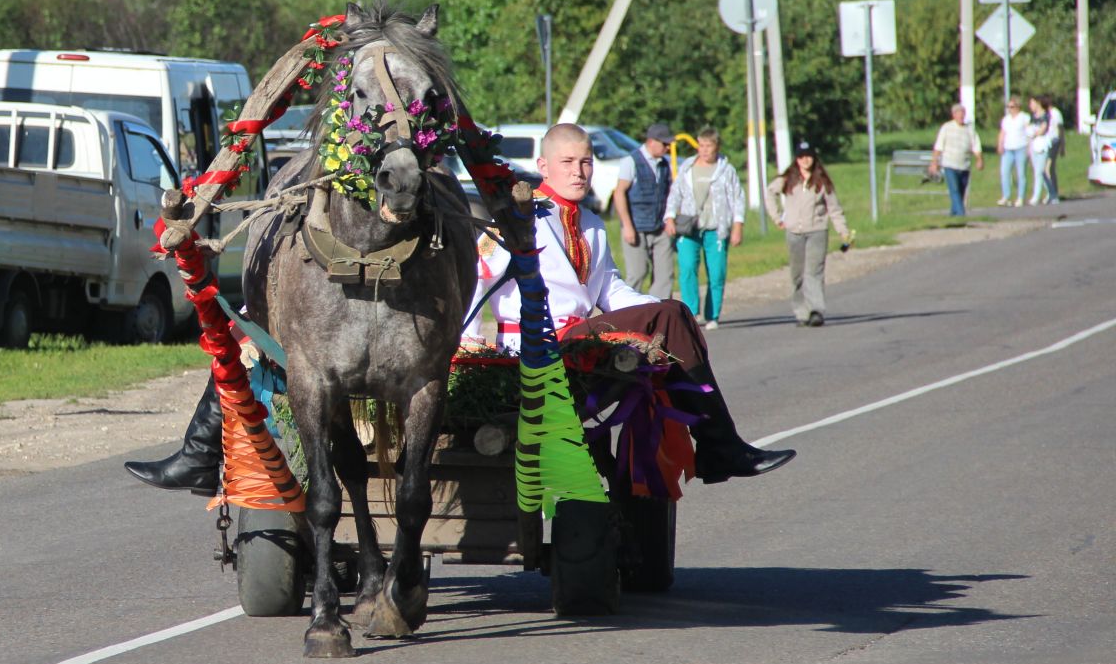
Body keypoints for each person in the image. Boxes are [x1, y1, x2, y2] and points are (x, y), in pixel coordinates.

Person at [124, 124, 795, 493]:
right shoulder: (514, 223)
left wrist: (647, 311)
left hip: (574, 336)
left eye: (588, 163)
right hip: (518, 339)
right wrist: (458, 345)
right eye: (570, 162)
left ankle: (719, 444)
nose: (582, 172)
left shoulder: (588, 227)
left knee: (671, 312)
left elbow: (610, 293)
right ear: (544, 163)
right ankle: (720, 446)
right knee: (257, 333)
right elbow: (475, 290)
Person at [663, 127, 745, 330]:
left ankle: (712, 314)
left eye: (709, 146)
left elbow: (737, 198)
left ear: (717, 147)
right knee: (688, 268)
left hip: (716, 228)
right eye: (701, 145)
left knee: (716, 272)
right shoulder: (688, 167)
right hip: (689, 228)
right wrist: (670, 217)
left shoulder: (726, 170)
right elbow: (675, 194)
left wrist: (737, 226)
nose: (704, 150)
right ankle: (691, 312)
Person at [770, 140, 853, 327]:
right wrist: (777, 217)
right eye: (801, 157)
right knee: (797, 274)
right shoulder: (788, 179)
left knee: (814, 271)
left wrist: (843, 232)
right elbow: (769, 193)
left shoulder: (821, 181)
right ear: (796, 159)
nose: (805, 160)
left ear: (814, 158)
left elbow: (834, 209)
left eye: (808, 156)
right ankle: (802, 312)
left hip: (817, 230)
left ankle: (816, 310)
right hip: (794, 232)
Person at [620, 122, 675, 297]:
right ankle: (627, 315)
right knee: (637, 273)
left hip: (660, 227)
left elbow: (669, 194)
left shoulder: (664, 164)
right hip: (636, 227)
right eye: (664, 144)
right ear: (651, 141)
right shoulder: (631, 161)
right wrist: (627, 226)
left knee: (664, 276)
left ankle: (659, 315)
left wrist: (670, 219)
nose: (667, 148)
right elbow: (619, 193)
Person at [928, 103, 983, 216]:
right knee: (954, 190)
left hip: (964, 165)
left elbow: (976, 146)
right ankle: (961, 214)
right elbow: (938, 146)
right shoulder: (947, 127)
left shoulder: (969, 129)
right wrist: (934, 162)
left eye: (962, 114)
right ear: (953, 115)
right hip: (949, 164)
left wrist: (979, 159)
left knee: (961, 191)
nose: (961, 116)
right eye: (958, 114)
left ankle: (953, 215)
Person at [997, 97, 1031, 206]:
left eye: (1011, 107)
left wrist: (1029, 147)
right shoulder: (1006, 119)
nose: (1009, 109)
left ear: (1017, 107)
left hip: (1021, 147)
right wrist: (1000, 144)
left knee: (1021, 173)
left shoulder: (1024, 117)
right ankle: (1006, 196)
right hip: (1008, 148)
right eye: (1008, 107)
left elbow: (1028, 131)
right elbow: (1002, 132)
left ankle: (1020, 197)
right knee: (1004, 172)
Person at [1026, 96, 1055, 205]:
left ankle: (1036, 196)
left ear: (1038, 103)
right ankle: (1051, 192)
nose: (1031, 106)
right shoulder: (1032, 117)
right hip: (1034, 145)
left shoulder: (1046, 116)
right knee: (1037, 171)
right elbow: (1028, 129)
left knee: (1039, 171)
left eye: (1032, 103)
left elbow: (1043, 129)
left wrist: (1034, 133)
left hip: (1042, 145)